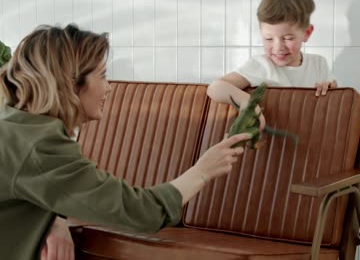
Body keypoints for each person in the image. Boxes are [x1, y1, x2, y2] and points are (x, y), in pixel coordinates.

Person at [0, 24, 251, 260]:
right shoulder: (41, 146)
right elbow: (139, 212)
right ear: (71, 84)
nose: (108, 88)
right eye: (102, 75)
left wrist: (55, 218)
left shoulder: (16, 126)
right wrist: (203, 170)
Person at [207, 0, 337, 130]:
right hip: (274, 143)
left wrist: (329, 87)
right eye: (269, 39)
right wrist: (247, 102)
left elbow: (335, 93)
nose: (278, 47)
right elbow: (215, 87)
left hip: (311, 137)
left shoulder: (318, 64)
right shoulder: (261, 65)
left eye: (288, 38)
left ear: (306, 33)